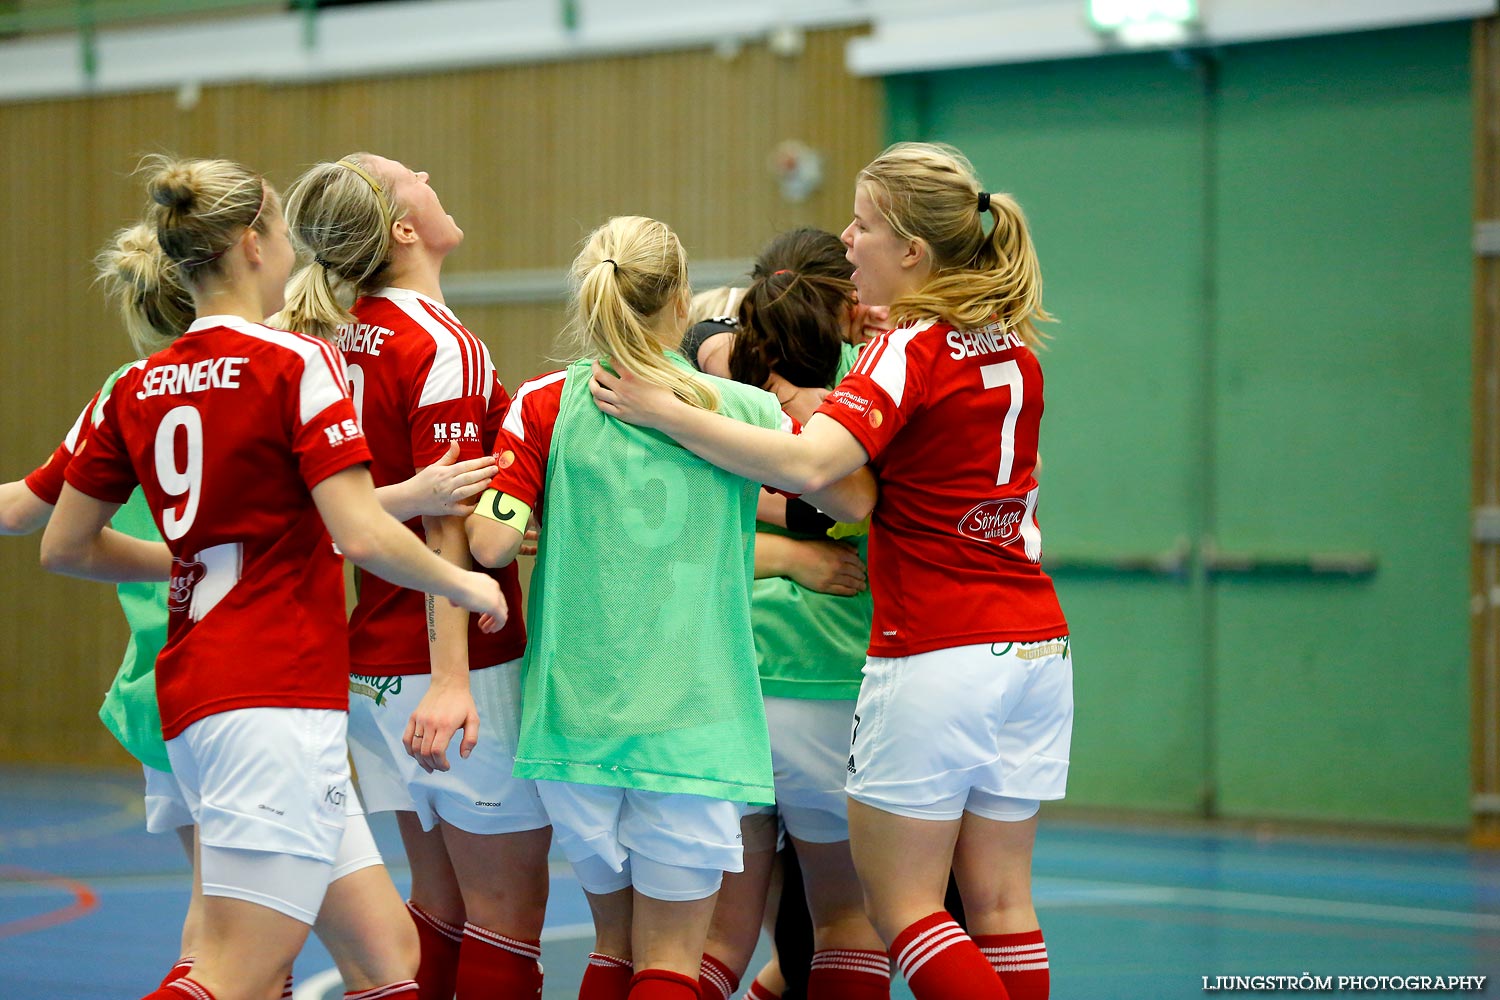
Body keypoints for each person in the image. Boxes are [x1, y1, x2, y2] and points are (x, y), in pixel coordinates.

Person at [591, 142, 1072, 1000]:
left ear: (912, 254)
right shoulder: (1011, 346)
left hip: (934, 646)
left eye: (864, 225)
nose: (847, 240)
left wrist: (669, 411)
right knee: (1001, 904)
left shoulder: (909, 348)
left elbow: (820, 473)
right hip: (1034, 645)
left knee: (905, 911)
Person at [39, 155, 506, 1000]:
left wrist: (190, 557)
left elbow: (64, 546)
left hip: (200, 694)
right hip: (271, 691)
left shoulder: (137, 384)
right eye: (285, 231)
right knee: (235, 973)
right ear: (254, 243)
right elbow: (360, 533)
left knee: (386, 958)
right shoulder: (293, 364)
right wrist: (468, 587)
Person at [465, 215, 875, 1000]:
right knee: (670, 964)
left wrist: (523, 513)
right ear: (681, 300)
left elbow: (488, 543)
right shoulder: (743, 412)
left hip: (575, 719)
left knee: (612, 950)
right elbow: (850, 496)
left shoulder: (544, 403)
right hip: (695, 718)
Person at [276, 151, 552, 1000]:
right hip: (454, 670)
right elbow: (446, 532)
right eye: (414, 176)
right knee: (506, 914)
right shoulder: (439, 345)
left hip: (368, 670)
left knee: (439, 902)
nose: (434, 173)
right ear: (402, 228)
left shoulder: (321, 340)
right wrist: (452, 679)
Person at [684, 229, 889, 1000]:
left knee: (713, 937)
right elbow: (863, 507)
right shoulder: (867, 380)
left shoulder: (711, 380)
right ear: (848, 300)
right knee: (846, 921)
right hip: (826, 675)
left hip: (727, 677)